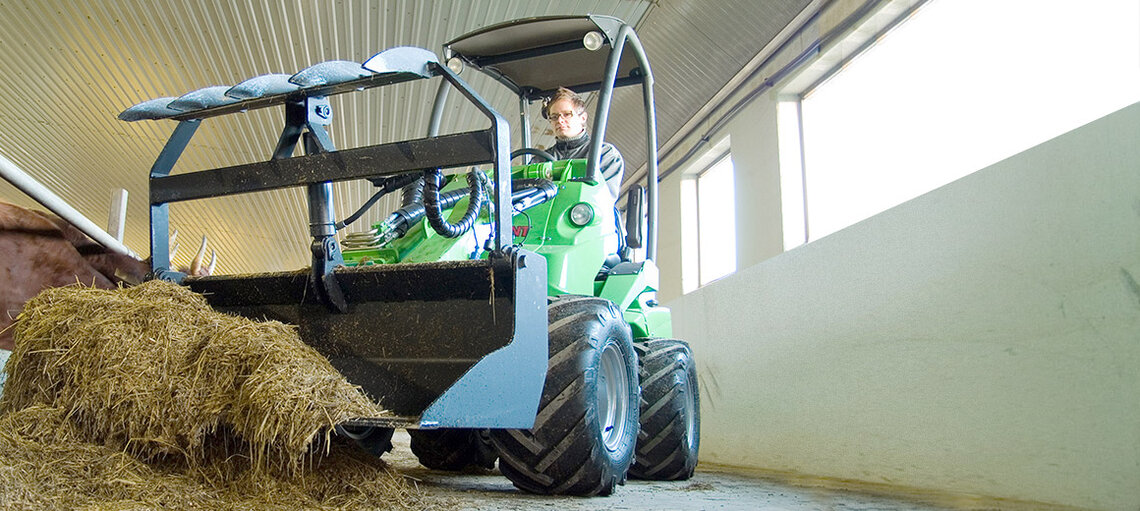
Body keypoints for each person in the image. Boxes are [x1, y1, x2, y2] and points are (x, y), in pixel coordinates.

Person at [542, 87, 624, 199]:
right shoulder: (540, 160)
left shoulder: (605, 154)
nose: (560, 121)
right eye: (554, 117)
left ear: (583, 117)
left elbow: (603, 201)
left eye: (566, 114)